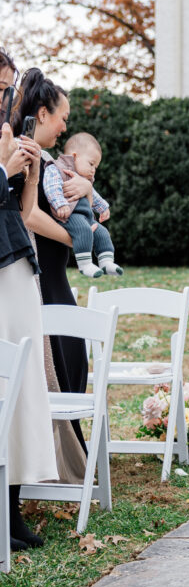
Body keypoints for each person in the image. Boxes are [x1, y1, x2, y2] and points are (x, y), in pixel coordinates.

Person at [0, 51, 59, 550]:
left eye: (7, 88)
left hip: (17, 269)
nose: (4, 97)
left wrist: (31, 174)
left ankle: (11, 511)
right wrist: (3, 170)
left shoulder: (7, 134)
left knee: (22, 388)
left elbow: (23, 214)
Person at [17, 68, 89, 473]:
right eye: (62, 117)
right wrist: (75, 239)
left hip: (56, 277)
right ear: (42, 114)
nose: (65, 126)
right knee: (61, 363)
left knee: (73, 362)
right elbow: (27, 216)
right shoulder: (26, 157)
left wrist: (87, 190)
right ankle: (64, 462)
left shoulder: (48, 161)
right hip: (40, 278)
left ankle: (70, 457)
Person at [43, 131, 122, 278]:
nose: (93, 170)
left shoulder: (84, 177)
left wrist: (103, 207)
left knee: (102, 232)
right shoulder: (57, 168)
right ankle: (85, 264)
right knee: (83, 230)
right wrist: (60, 204)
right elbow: (51, 187)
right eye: (91, 164)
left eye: (96, 167)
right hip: (69, 215)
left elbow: (93, 194)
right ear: (74, 156)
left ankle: (106, 262)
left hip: (86, 217)